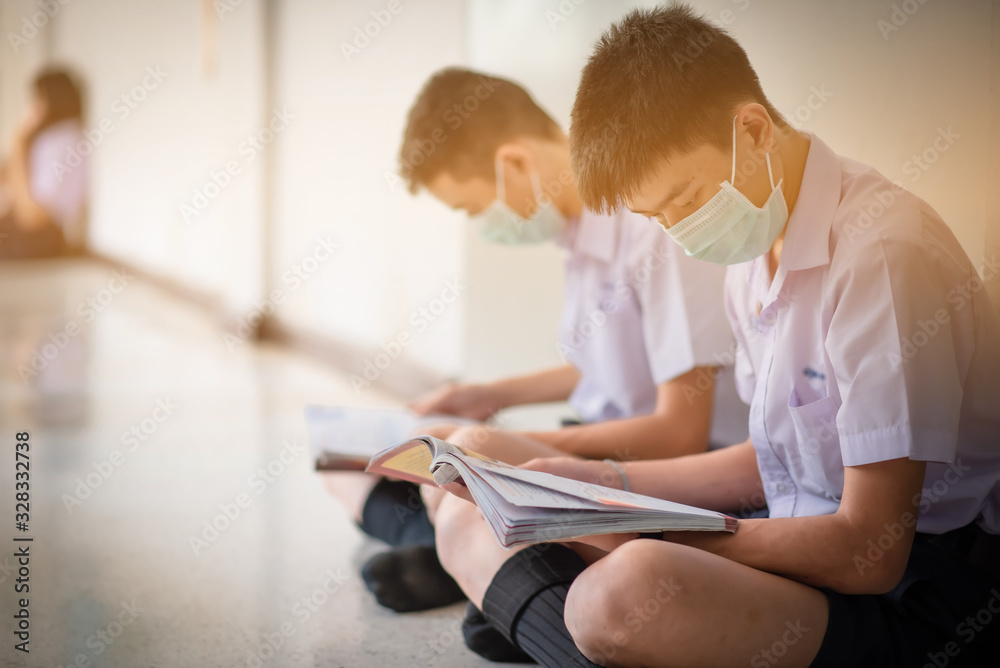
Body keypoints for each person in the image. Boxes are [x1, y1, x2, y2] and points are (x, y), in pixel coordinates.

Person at [431, 6, 1000, 667]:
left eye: (685, 199)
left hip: (918, 582)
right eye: (658, 217)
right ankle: (566, 626)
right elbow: (777, 459)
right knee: (487, 507)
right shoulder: (755, 252)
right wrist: (600, 482)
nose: (681, 232)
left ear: (752, 129)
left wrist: (655, 532)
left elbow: (869, 550)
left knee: (615, 595)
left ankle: (541, 619)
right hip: (793, 529)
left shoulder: (882, 254)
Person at [321, 68, 748, 614]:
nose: (482, 224)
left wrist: (494, 444)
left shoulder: (653, 228)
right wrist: (489, 396)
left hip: (667, 463)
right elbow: (615, 363)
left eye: (472, 209)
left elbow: (679, 428)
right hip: (598, 433)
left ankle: (468, 554)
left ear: (515, 163)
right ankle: (469, 554)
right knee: (346, 468)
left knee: (457, 455)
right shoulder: (578, 233)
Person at [0, 67, 88, 259]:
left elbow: (30, 217)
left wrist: (20, 140)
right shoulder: (51, 138)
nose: (31, 107)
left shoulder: (62, 141)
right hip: (31, 234)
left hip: (36, 239)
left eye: (37, 99)